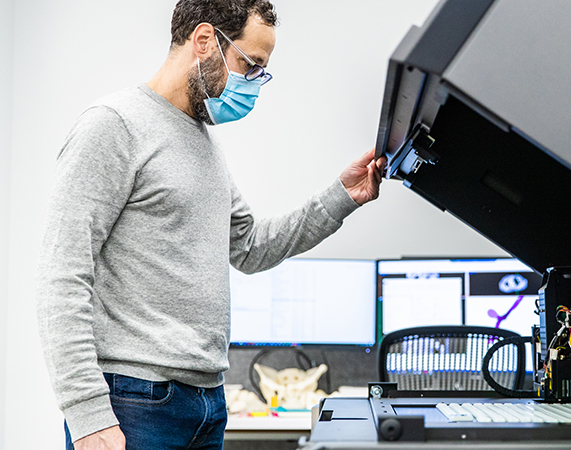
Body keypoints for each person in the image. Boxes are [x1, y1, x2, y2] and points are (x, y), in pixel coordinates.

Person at [35, 1, 386, 449]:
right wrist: (86, 413)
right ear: (204, 42)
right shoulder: (114, 126)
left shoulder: (202, 141)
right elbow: (61, 276)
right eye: (251, 65)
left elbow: (250, 246)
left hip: (206, 403)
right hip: (135, 403)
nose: (256, 82)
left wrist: (343, 195)